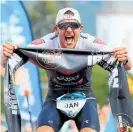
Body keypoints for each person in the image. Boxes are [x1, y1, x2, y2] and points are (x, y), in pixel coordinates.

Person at [2, 7, 132, 132]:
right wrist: (8, 54)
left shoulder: (91, 43)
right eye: (64, 26)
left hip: (84, 97)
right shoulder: (46, 43)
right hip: (55, 97)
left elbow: (126, 65)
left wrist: (124, 58)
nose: (69, 29)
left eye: (73, 25)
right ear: (56, 30)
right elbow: (10, 62)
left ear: (80, 29)